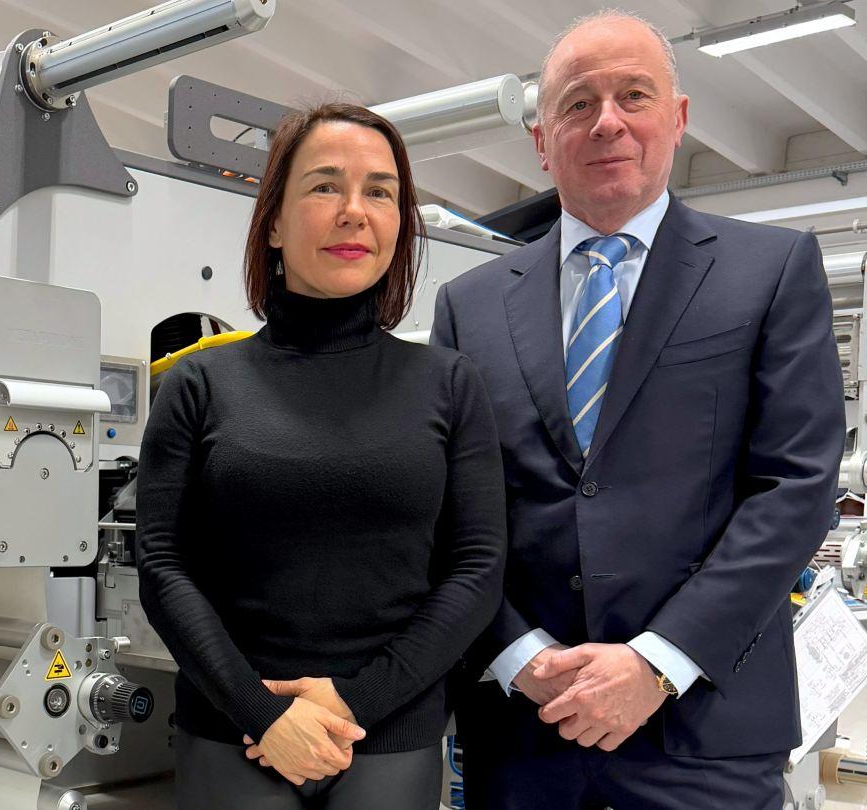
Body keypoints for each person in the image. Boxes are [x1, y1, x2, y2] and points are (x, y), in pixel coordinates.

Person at [431, 11, 843, 809]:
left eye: (634, 95)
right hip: (524, 730)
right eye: (577, 104)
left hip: (704, 733)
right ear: (542, 141)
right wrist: (516, 654)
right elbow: (454, 507)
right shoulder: (468, 306)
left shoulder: (770, 271)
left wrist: (658, 661)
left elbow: (796, 489)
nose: (607, 120)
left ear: (678, 120)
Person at [136, 101, 506, 810]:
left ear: (400, 225)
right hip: (233, 732)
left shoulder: (449, 385)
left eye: (379, 192)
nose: (353, 211)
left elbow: (477, 571)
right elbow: (162, 565)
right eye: (324, 186)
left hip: (389, 733)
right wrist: (260, 712)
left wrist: (352, 701)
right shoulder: (200, 384)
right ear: (273, 221)